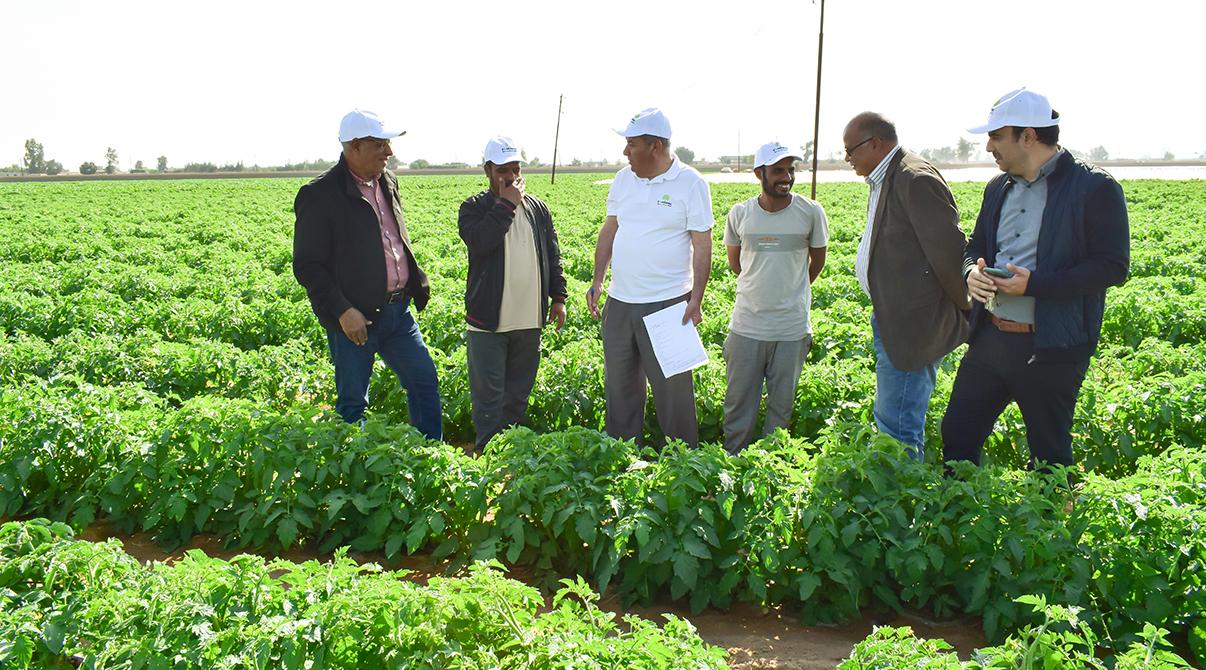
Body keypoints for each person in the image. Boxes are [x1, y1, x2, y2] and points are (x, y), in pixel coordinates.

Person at [941, 88, 1129, 469]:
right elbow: (975, 245)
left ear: (1028, 136)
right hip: (990, 337)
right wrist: (969, 274)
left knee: (1049, 456)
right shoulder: (998, 188)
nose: (989, 146)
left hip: (1052, 348)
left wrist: (1035, 285)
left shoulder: (1095, 188)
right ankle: (959, 518)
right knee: (957, 434)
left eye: (996, 136)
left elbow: (1112, 266)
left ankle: (1049, 527)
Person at [292, 109, 442, 440]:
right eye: (380, 145)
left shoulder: (387, 181)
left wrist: (416, 279)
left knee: (424, 381)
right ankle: (355, 473)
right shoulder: (319, 195)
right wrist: (343, 311)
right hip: (356, 319)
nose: (389, 152)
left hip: (398, 313)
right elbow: (308, 265)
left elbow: (393, 237)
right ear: (355, 147)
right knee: (353, 404)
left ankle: (431, 459)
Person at [842, 112, 969, 460]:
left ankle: (903, 496)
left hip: (913, 325)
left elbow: (947, 252)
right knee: (893, 417)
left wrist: (967, 310)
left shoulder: (914, 178)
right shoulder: (885, 177)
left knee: (898, 425)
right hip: (892, 315)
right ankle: (900, 487)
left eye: (850, 150)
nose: (847, 158)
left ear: (876, 144)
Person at [586, 108, 713, 447]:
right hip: (621, 301)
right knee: (620, 389)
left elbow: (702, 243)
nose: (625, 153)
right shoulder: (623, 179)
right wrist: (598, 280)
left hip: (669, 304)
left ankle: (682, 464)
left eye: (631, 145)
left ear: (655, 146)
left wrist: (696, 299)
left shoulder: (691, 183)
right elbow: (610, 228)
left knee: (674, 395)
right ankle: (622, 458)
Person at [458, 136, 568, 449]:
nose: (511, 177)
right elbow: (481, 241)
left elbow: (552, 254)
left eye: (516, 169)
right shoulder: (473, 209)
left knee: (518, 394)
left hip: (528, 319)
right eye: (503, 170)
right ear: (488, 171)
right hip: (488, 321)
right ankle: (488, 452)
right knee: (488, 397)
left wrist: (558, 298)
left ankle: (513, 454)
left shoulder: (537, 209)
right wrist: (507, 203)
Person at [722, 141, 828, 452]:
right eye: (778, 170)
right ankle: (733, 463)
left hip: (791, 329)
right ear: (760, 173)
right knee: (737, 407)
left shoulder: (810, 212)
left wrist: (793, 291)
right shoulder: (740, 214)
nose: (787, 176)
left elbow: (817, 261)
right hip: (746, 327)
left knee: (781, 410)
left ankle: (770, 470)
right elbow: (735, 263)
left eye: (791, 170)